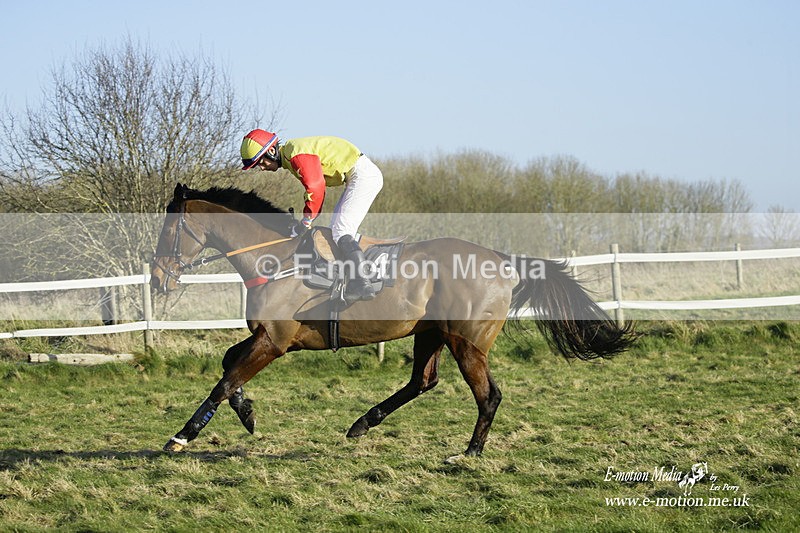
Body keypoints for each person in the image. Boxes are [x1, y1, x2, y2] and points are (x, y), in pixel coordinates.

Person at [240, 130, 383, 302]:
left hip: (362, 175)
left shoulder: (295, 155)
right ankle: (349, 279)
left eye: (261, 162)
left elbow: (315, 187)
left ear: (271, 151)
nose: (262, 168)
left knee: (341, 230)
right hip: (358, 175)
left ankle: (363, 284)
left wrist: (306, 220)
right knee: (338, 230)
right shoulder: (290, 155)